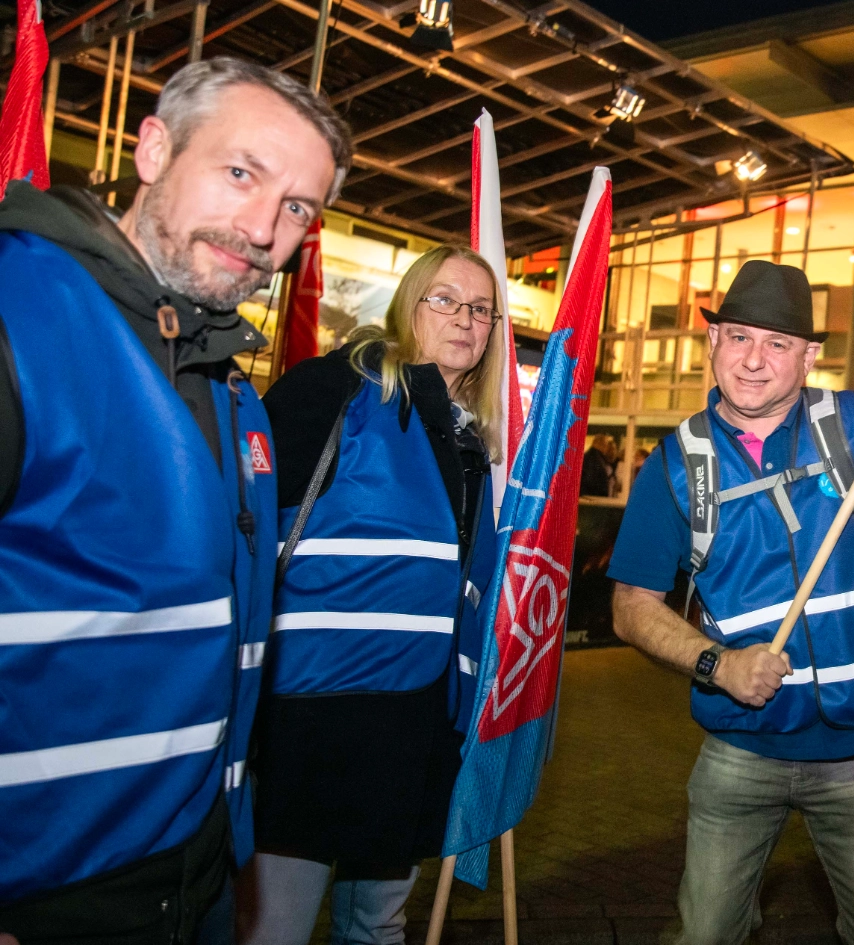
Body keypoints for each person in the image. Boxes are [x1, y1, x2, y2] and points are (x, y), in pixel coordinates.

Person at [0, 58, 348, 940]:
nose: (266, 227)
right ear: (153, 147)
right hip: (45, 896)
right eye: (242, 173)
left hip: (193, 876)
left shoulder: (232, 394)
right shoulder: (19, 312)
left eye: (300, 207)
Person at [607, 252, 854, 944]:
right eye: (738, 336)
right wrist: (717, 664)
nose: (754, 360)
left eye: (778, 343)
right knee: (705, 933)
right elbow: (631, 605)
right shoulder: (677, 463)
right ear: (713, 342)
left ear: (808, 356)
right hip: (739, 753)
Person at [234, 247, 503, 943]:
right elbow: (241, 517)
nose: (465, 319)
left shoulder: (470, 438)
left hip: (411, 718)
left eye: (480, 309)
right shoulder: (333, 389)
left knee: (378, 923)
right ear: (408, 305)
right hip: (310, 712)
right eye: (446, 299)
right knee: (275, 925)